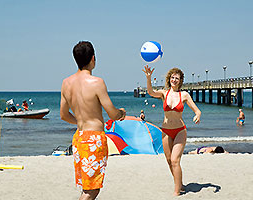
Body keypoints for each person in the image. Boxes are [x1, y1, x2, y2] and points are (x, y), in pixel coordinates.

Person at [60, 41, 126, 200]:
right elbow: (112, 114)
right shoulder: (97, 82)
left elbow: (63, 115)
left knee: (86, 187)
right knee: (92, 190)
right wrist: (121, 113)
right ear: (93, 58)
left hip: (79, 137)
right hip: (94, 139)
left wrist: (80, 122)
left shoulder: (66, 83)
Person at [142, 65, 201, 196]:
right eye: (173, 78)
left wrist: (197, 115)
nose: (174, 80)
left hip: (180, 130)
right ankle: (180, 184)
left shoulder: (184, 95)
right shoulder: (164, 93)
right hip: (166, 132)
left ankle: (177, 192)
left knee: (175, 160)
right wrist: (148, 78)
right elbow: (151, 92)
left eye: (177, 78)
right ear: (169, 79)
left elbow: (197, 110)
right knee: (169, 161)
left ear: (180, 81)